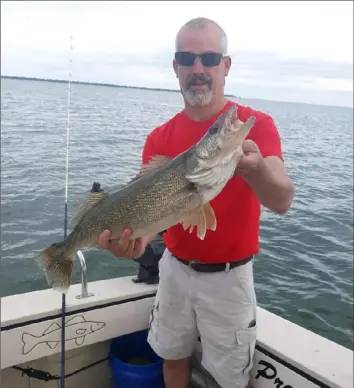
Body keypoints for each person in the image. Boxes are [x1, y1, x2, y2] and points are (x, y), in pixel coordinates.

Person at [99, 17, 294, 388]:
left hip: (230, 279)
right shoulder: (159, 139)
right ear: (176, 68)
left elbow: (282, 200)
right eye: (187, 58)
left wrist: (254, 172)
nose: (198, 68)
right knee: (171, 358)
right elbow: (145, 228)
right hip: (173, 270)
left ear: (226, 66)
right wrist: (129, 246)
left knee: (227, 379)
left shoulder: (254, 124)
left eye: (209, 58)